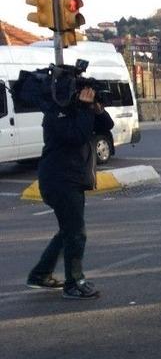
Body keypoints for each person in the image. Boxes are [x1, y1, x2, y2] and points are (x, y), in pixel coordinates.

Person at [27, 87, 113, 299]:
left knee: (68, 230)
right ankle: (74, 283)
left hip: (71, 179)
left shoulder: (78, 111)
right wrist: (85, 108)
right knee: (75, 232)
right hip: (60, 180)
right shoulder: (56, 113)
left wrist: (96, 109)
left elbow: (106, 126)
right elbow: (77, 136)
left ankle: (40, 275)